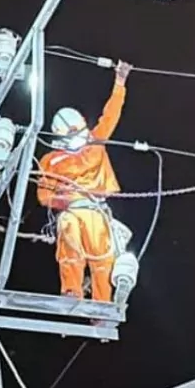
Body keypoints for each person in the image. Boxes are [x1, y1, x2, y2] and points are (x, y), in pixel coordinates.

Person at [35, 61, 133, 302]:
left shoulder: (94, 144)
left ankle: (104, 306)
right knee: (70, 244)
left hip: (96, 210)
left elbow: (110, 116)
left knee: (102, 258)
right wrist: (62, 198)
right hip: (71, 210)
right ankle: (72, 292)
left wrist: (119, 83)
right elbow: (43, 195)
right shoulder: (51, 160)